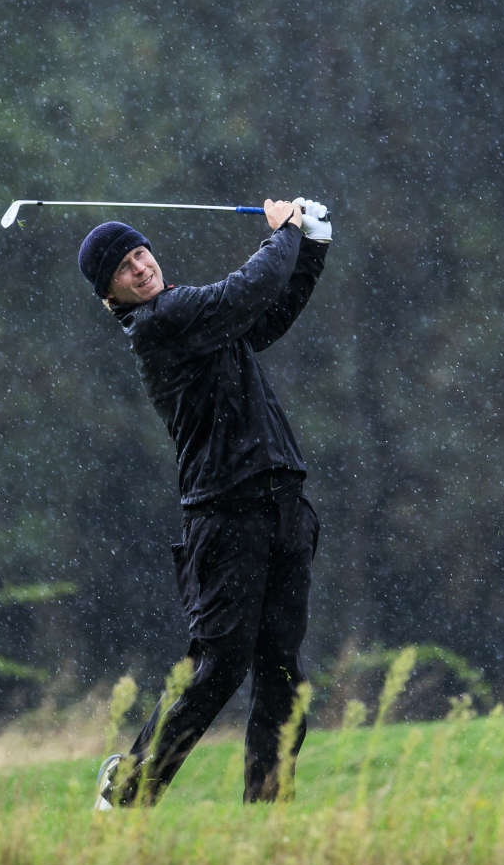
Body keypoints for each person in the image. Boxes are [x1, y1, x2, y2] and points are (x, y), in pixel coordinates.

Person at [78, 196, 332, 807]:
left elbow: (267, 315)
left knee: (282, 675)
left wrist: (312, 248)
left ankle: (267, 813)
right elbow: (247, 291)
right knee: (217, 668)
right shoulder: (158, 322)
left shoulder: (194, 318)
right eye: (124, 269)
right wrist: (283, 233)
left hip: (281, 506)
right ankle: (128, 792)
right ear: (112, 296)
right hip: (225, 515)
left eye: (141, 254)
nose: (140, 267)